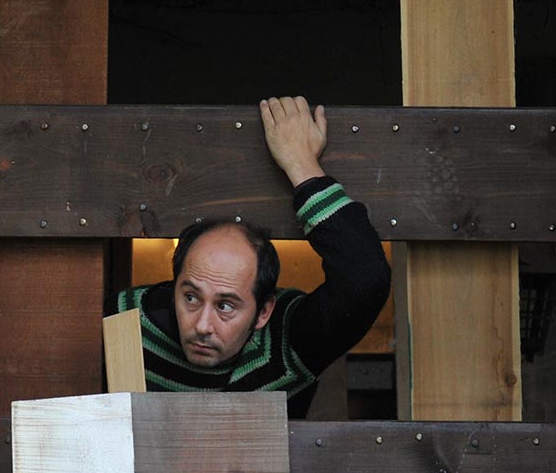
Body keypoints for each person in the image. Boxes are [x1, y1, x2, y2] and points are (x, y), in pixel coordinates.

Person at [113, 95, 392, 416]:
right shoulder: (129, 319)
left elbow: (365, 277)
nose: (202, 325)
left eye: (226, 306)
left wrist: (301, 164)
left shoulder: (287, 341)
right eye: (190, 297)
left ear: (264, 311)